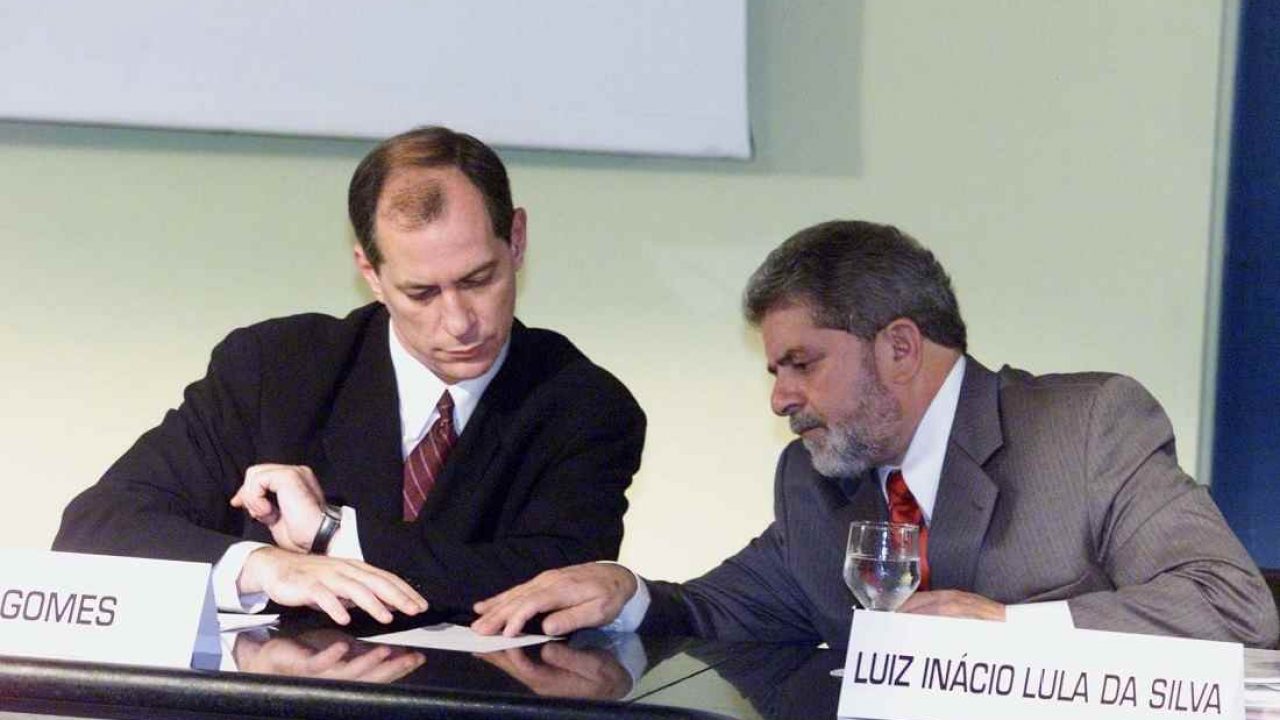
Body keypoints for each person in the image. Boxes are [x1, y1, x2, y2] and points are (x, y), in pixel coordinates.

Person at [471, 219, 1279, 649]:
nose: (782, 399)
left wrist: (1009, 631)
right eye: (773, 373)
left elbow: (1232, 607)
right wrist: (625, 592)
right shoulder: (815, 479)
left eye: (801, 365)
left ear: (897, 346)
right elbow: (725, 609)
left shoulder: (1088, 427)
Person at [54, 126, 646, 626]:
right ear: (370, 271)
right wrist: (263, 566)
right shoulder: (274, 368)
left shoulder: (584, 407)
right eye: (421, 292)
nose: (460, 321)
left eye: (478, 279)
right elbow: (98, 527)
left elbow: (556, 582)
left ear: (516, 240)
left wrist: (332, 534)